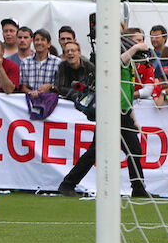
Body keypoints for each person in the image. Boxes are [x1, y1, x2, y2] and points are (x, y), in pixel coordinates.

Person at [58, 35, 150, 197]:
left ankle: (138, 188)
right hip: (110, 114)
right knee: (99, 151)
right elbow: (118, 63)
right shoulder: (115, 63)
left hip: (123, 114)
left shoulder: (128, 66)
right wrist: (136, 48)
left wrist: (133, 117)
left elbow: (126, 96)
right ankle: (67, 184)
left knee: (131, 150)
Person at [19, 28, 61, 97]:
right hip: (30, 100)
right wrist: (32, 92)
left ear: (49, 44)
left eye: (42, 40)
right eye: (37, 40)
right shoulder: (25, 62)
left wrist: (50, 86)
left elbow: (60, 87)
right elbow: (23, 87)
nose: (39, 42)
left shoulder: (58, 62)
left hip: (50, 101)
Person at [124, 27, 155, 99]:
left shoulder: (146, 64)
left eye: (143, 40)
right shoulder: (119, 62)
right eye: (139, 40)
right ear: (127, 41)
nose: (142, 44)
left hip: (137, 104)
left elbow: (147, 91)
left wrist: (128, 96)